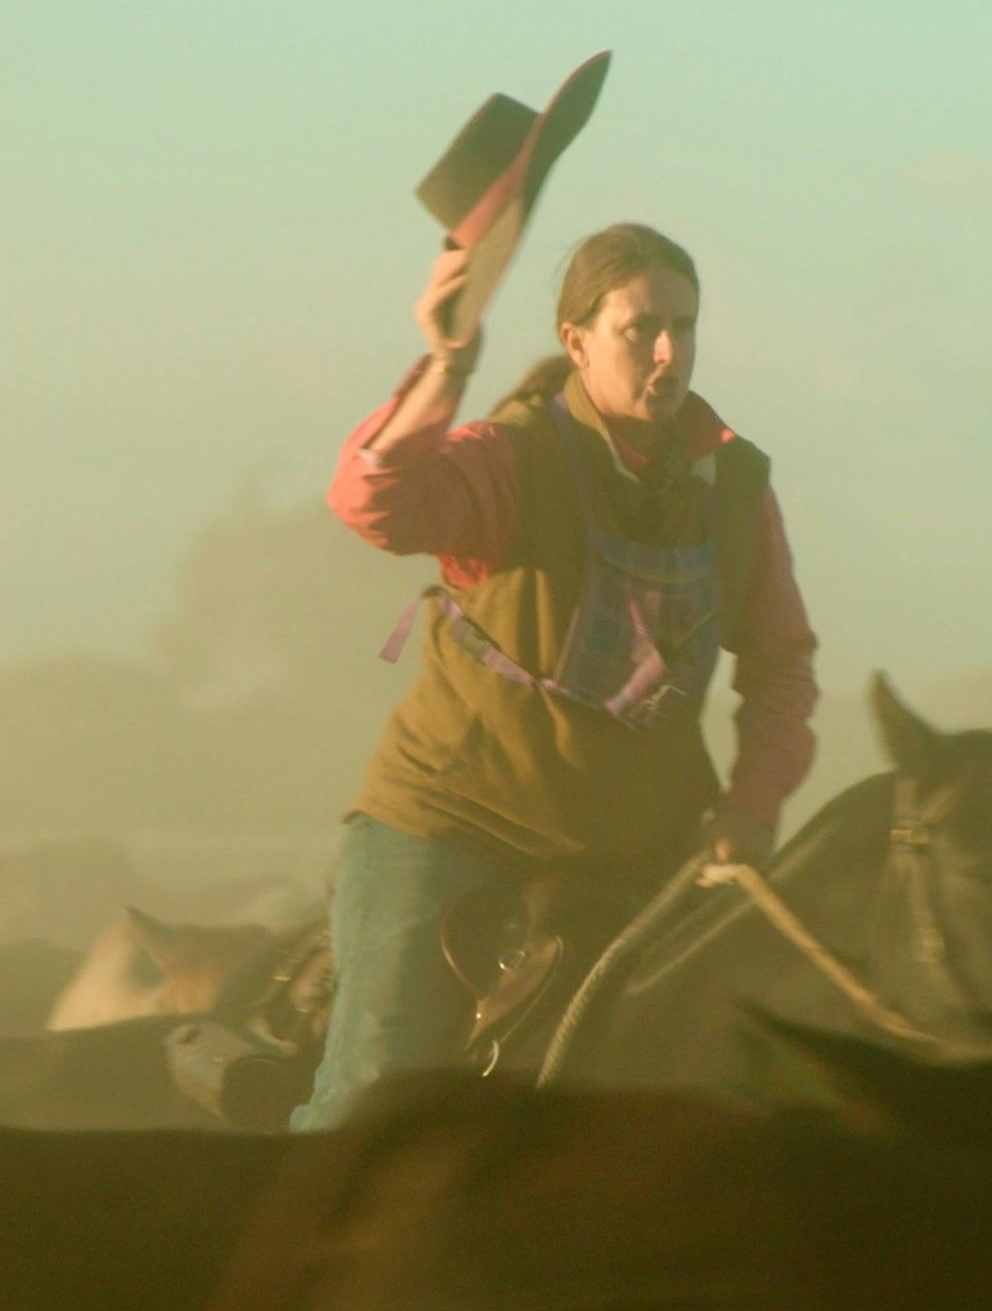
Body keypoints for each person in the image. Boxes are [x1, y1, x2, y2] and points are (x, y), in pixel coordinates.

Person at [292, 221, 818, 1128]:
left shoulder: (734, 486)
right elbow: (371, 500)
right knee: (370, 1110)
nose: (668, 352)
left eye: (684, 328)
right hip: (452, 823)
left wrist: (753, 805)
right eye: (640, 328)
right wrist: (445, 366)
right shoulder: (510, 455)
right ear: (575, 341)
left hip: (643, 852)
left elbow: (780, 665)